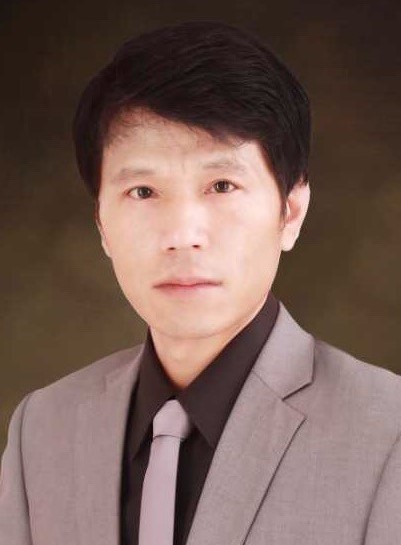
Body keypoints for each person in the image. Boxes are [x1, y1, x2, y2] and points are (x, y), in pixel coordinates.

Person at [1, 20, 400, 545]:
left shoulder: (387, 434)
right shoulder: (42, 429)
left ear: (291, 212)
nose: (182, 236)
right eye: (143, 192)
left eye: (222, 185)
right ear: (101, 224)